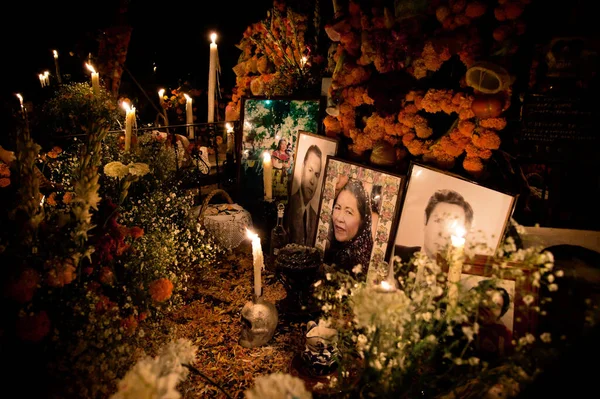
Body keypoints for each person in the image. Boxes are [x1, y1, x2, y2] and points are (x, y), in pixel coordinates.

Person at [395, 189, 474, 263]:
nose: (443, 234)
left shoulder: (468, 275)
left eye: (453, 226)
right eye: (438, 221)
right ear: (425, 220)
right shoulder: (396, 254)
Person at [323, 179, 373, 273]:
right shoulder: (332, 250)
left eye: (348, 212)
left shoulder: (357, 264)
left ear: (363, 221)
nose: (339, 218)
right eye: (337, 208)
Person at [471, 280, 514, 361]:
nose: (488, 306)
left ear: (501, 314)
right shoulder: (456, 326)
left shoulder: (505, 337)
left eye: (496, 306)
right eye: (485, 299)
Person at [288, 145, 322, 245]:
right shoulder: (288, 205)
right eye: (310, 170)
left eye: (316, 175)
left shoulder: (316, 219)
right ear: (303, 167)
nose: (312, 181)